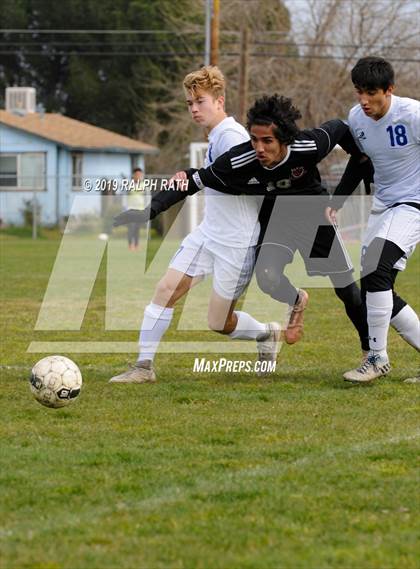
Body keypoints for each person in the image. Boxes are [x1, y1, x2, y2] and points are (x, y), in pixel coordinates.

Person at [115, 94, 370, 360]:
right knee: (268, 278)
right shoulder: (240, 159)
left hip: (314, 217)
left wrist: (361, 158)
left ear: (284, 139)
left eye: (267, 141)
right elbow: (194, 181)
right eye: (254, 139)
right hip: (277, 221)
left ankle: (370, 353)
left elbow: (340, 128)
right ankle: (296, 300)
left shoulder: (308, 145)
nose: (259, 148)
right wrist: (150, 211)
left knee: (347, 291)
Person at [109, 66, 280, 384]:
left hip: (237, 242)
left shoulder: (232, 136)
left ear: (219, 100)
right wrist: (164, 199)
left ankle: (265, 334)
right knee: (164, 290)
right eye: (189, 102)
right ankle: (143, 367)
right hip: (208, 233)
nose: (193, 108)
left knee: (219, 322)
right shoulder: (216, 137)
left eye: (199, 100)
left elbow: (254, 186)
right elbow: (204, 181)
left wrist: (194, 178)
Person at [326, 56, 419, 383]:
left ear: (389, 90)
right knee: (377, 286)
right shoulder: (357, 119)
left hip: (413, 205)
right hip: (383, 206)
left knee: (377, 272)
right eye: (358, 92)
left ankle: (377, 358)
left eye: (371, 93)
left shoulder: (412, 115)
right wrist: (336, 201)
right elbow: (361, 162)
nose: (363, 100)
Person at [127, 167, 144, 251]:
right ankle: (130, 245)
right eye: (137, 174)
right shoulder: (130, 184)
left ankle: (136, 245)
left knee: (137, 229)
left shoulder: (143, 184)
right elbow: (132, 191)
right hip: (131, 209)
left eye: (140, 174)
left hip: (140, 209)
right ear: (134, 175)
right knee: (131, 228)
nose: (139, 176)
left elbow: (143, 191)